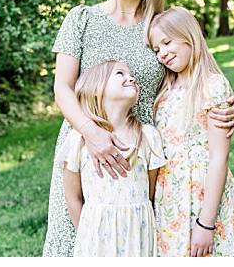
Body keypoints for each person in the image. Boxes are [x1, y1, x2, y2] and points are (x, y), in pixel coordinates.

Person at [43, 0, 234, 257]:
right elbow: (62, 89)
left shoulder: (158, 30)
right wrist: (92, 134)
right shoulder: (81, 19)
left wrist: (230, 105)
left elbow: (194, 77)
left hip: (147, 160)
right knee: (78, 245)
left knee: (140, 245)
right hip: (87, 152)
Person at [149, 7, 234, 256]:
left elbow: (218, 158)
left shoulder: (211, 86)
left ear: (188, 35)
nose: (163, 54)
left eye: (167, 42)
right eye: (157, 49)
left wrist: (206, 223)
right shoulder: (165, 90)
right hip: (170, 196)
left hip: (203, 197)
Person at [58, 61, 164, 256]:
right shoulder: (78, 141)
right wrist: (85, 234)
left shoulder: (147, 136)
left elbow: (150, 193)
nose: (131, 78)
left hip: (138, 235)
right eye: (120, 74)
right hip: (96, 239)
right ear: (96, 89)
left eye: (131, 74)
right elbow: (72, 196)